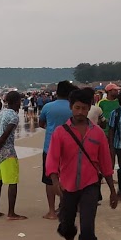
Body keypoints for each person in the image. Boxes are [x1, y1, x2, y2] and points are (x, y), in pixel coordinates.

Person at [45, 88, 119, 240]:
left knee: (88, 228)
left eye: (84, 108)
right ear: (71, 108)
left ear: (89, 109)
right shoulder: (61, 132)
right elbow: (52, 158)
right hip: (67, 187)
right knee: (66, 226)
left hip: (90, 186)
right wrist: (54, 180)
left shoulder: (97, 134)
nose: (79, 112)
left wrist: (112, 191)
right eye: (76, 107)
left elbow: (105, 164)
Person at [38, 81, 74, 219]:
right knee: (66, 178)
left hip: (50, 147)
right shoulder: (72, 108)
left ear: (57, 92)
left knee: (49, 179)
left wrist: (51, 128)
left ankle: (52, 211)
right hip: (69, 147)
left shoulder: (48, 106)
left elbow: (41, 123)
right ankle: (64, 208)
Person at [0, 90, 24, 220]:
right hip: (8, 153)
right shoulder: (14, 116)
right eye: (20, 101)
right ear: (17, 102)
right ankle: (11, 213)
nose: (20, 103)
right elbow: (6, 134)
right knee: (12, 182)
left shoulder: (1, 113)